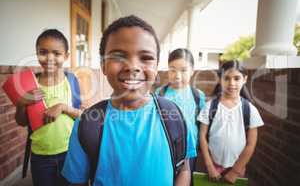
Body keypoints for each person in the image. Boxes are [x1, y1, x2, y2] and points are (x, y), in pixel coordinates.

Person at [62, 15, 196, 186]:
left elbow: (183, 168)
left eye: (146, 57)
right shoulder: (87, 124)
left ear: (156, 67)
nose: (133, 66)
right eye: (118, 56)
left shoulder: (174, 116)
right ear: (103, 65)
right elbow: (76, 181)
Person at [15, 29, 82, 186]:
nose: (50, 58)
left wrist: (63, 107)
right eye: (43, 52)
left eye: (57, 53)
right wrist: (21, 104)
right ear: (37, 54)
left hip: (69, 152)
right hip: (40, 156)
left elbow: (82, 115)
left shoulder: (71, 81)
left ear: (66, 56)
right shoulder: (30, 85)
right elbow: (22, 122)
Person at [198, 60, 264, 184]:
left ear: (244, 79)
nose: (231, 83)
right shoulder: (210, 106)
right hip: (213, 166)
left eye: (236, 78)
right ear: (220, 79)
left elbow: (251, 143)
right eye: (226, 78)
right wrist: (209, 166)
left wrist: (235, 171)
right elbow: (202, 136)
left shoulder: (250, 110)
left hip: (237, 168)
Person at [155, 48, 206, 182]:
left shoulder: (198, 96)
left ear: (192, 71)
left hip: (190, 152)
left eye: (183, 70)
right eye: (172, 69)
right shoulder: (160, 94)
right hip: (166, 149)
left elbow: (202, 126)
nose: (177, 75)